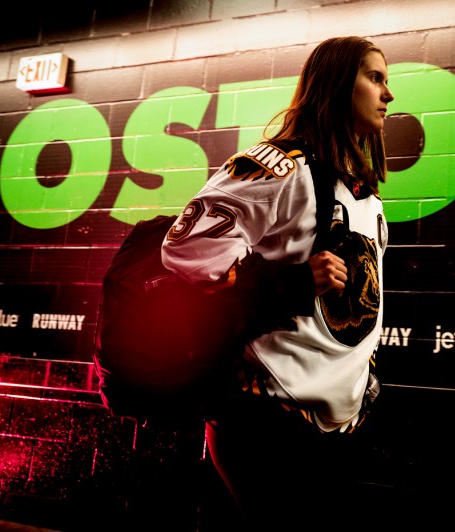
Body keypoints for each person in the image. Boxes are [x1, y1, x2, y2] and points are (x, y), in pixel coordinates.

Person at [161, 35, 394, 529]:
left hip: (337, 421)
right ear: (335, 84)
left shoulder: (366, 196)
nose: (387, 95)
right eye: (375, 78)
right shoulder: (279, 165)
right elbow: (185, 250)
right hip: (265, 416)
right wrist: (289, 280)